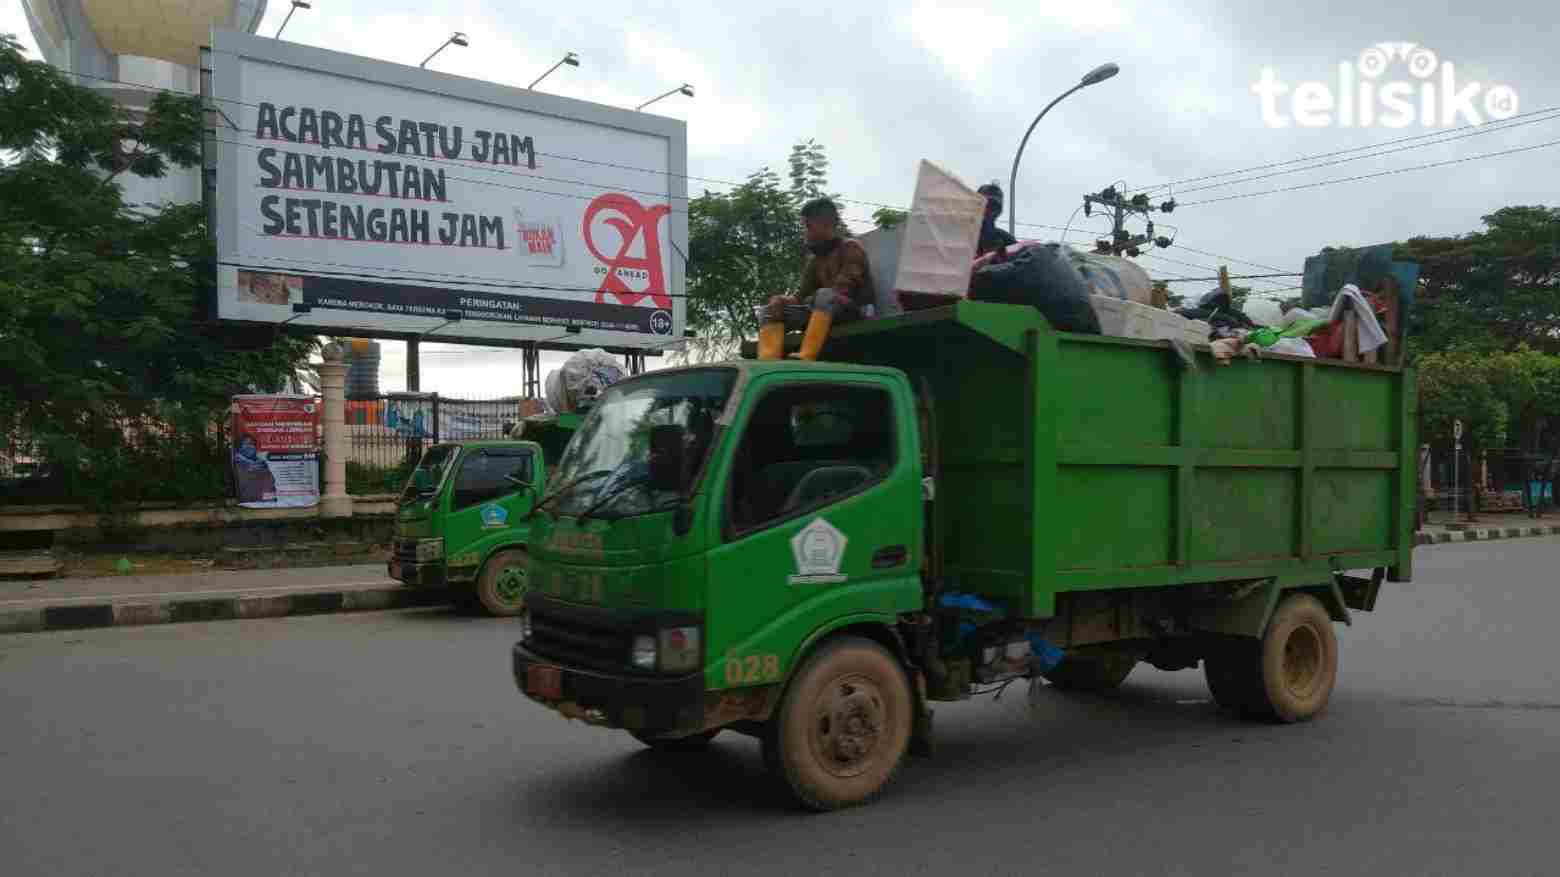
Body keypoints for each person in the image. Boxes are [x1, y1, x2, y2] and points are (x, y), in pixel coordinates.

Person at [757, 198, 874, 361]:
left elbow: (844, 288)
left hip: (854, 311)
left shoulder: (851, 248)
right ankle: (768, 361)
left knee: (825, 295)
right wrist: (782, 300)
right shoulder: (815, 259)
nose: (805, 231)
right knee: (768, 311)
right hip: (823, 311)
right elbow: (800, 297)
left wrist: (813, 299)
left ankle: (807, 355)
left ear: (826, 224)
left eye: (808, 226)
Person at [975, 182, 1017, 257]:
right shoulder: (963, 234)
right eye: (985, 205)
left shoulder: (1006, 239)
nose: (988, 210)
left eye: (993, 207)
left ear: (998, 211)